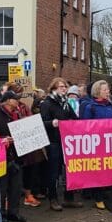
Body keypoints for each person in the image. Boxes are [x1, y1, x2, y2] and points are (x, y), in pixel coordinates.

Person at [81, 80, 112, 213]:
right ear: (98, 91)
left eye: (108, 90)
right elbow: (85, 127)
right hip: (97, 145)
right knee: (99, 172)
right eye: (105, 90)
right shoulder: (90, 107)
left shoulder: (111, 106)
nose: (108, 92)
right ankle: (98, 198)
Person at [40, 78, 80, 211]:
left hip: (66, 142)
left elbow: (75, 119)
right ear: (53, 89)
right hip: (53, 142)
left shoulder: (66, 103)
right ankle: (53, 199)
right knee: (54, 172)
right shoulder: (47, 103)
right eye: (61, 87)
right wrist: (52, 123)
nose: (64, 89)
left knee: (69, 170)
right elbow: (42, 122)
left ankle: (69, 198)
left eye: (65, 86)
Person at [0, 91, 28, 222]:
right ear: (7, 100)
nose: (17, 101)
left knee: (16, 186)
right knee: (2, 187)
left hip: (16, 154)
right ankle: (0, 215)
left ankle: (14, 212)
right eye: (15, 99)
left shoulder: (17, 113)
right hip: (3, 156)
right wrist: (3, 139)